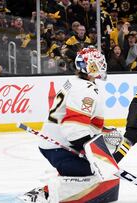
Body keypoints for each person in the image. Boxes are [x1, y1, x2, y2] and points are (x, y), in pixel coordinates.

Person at [20, 47, 122, 203]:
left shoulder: (76, 82)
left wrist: (100, 134)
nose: (102, 65)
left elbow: (80, 123)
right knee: (103, 176)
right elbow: (74, 129)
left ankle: (49, 190)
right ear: (89, 67)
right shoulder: (85, 90)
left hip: (56, 144)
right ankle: (46, 194)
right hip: (59, 148)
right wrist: (93, 154)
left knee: (101, 172)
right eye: (98, 64)